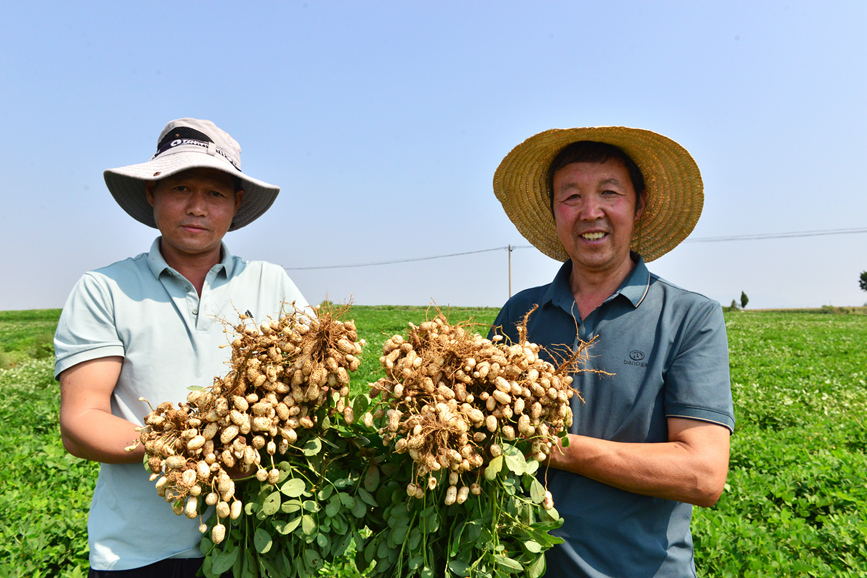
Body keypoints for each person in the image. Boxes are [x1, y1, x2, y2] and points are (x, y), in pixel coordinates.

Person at [55, 118, 309, 577]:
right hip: (140, 555)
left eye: (214, 194)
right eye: (181, 189)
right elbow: (80, 421)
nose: (196, 208)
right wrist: (189, 445)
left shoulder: (271, 283)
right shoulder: (104, 289)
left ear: (236, 204)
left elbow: (312, 394)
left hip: (256, 543)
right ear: (152, 194)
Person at [491, 127, 734, 577]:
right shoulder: (519, 313)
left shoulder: (689, 317)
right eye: (571, 197)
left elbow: (703, 473)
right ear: (553, 211)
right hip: (523, 566)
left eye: (609, 192)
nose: (590, 212)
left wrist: (559, 448)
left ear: (638, 206)